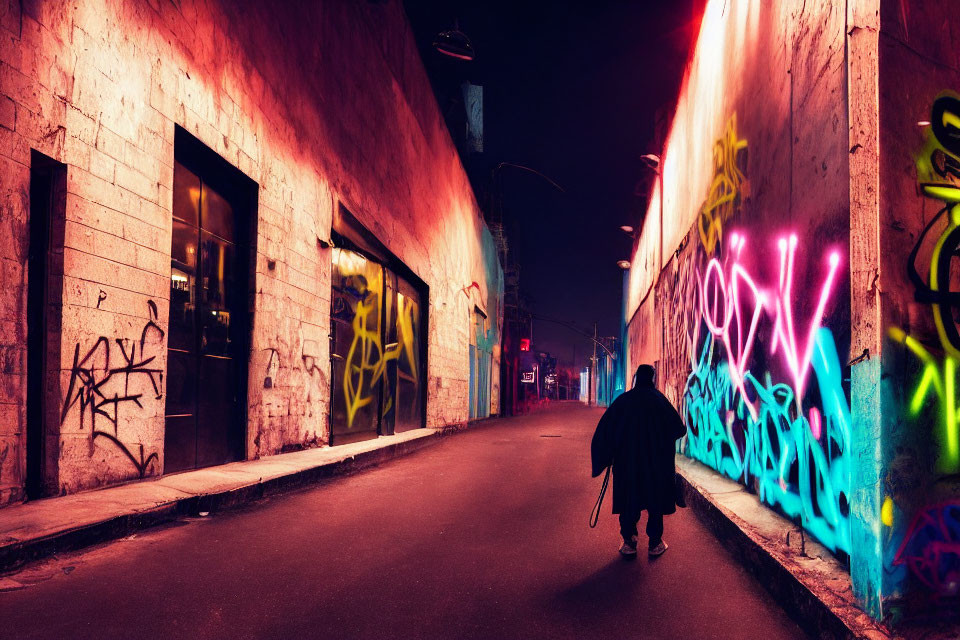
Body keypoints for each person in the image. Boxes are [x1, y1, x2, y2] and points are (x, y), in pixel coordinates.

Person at [590, 363, 686, 558]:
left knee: (629, 500)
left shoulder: (623, 401)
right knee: (655, 502)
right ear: (652, 378)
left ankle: (629, 542)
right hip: (656, 465)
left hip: (627, 465)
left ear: (636, 378)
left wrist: (605, 459)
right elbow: (679, 428)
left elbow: (605, 431)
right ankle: (655, 543)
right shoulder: (660, 401)